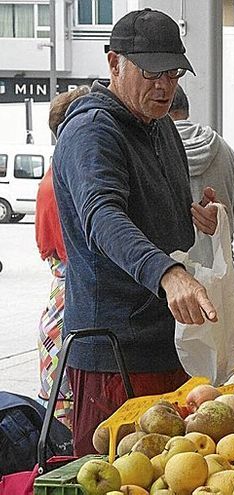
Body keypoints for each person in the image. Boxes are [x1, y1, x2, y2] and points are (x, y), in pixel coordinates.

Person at [52, 8, 219, 454]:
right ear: (113, 64)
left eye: (174, 73)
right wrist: (166, 272)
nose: (165, 86)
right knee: (111, 473)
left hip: (169, 339)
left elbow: (147, 209)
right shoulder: (91, 130)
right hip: (115, 349)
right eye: (151, 73)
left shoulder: (162, 126)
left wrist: (192, 215)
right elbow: (102, 215)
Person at [35, 85, 90, 428]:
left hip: (60, 290)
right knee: (68, 396)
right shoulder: (73, 175)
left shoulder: (52, 174)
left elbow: (44, 245)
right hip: (75, 287)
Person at [169, 86, 234, 240]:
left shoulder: (150, 147)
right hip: (218, 261)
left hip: (164, 261)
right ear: (187, 110)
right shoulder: (222, 146)